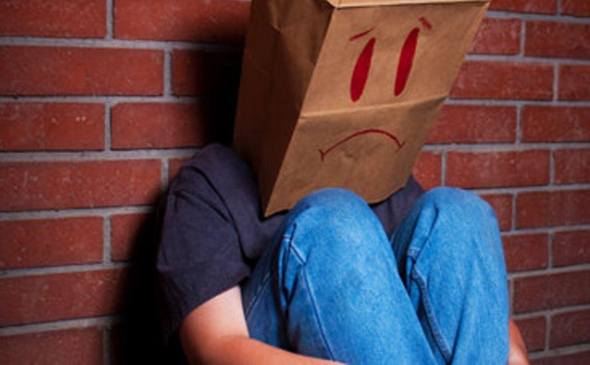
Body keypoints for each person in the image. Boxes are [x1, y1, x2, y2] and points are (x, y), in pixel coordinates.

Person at [156, 143, 529, 364]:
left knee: (458, 212)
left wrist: (513, 355)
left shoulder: (378, 171)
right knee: (335, 220)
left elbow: (470, 302)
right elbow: (215, 349)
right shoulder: (208, 180)